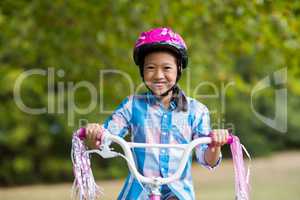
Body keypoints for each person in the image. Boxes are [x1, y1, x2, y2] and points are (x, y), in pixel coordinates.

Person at [84, 27, 229, 200]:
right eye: (151, 67)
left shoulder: (197, 111)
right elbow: (104, 139)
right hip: (139, 192)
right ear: (142, 71)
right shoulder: (131, 106)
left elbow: (208, 160)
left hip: (178, 194)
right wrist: (96, 133)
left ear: (179, 69)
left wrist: (215, 144)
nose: (158, 75)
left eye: (167, 68)